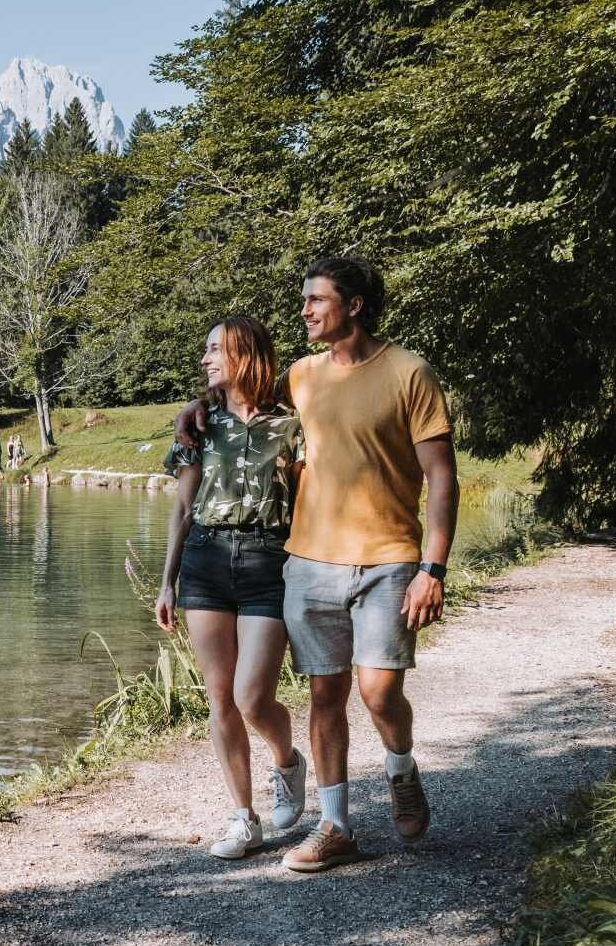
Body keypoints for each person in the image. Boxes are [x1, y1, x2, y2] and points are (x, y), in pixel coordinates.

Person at [177, 257, 456, 872]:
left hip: (390, 559)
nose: (304, 310)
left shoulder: (410, 373)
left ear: (353, 305)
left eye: (316, 300)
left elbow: (441, 475)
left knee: (379, 693)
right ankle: (335, 826)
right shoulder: (300, 377)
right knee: (324, 696)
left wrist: (432, 568)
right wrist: (192, 411)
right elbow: (238, 405)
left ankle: (401, 767)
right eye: (304, 300)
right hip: (307, 563)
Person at [156, 316, 307, 860]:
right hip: (206, 561)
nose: (205, 359)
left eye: (215, 349)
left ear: (245, 353)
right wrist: (166, 582)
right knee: (220, 697)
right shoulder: (199, 426)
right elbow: (181, 507)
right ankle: (244, 818)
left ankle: (287, 760)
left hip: (269, 560)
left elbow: (310, 498)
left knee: (252, 697)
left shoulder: (293, 423)